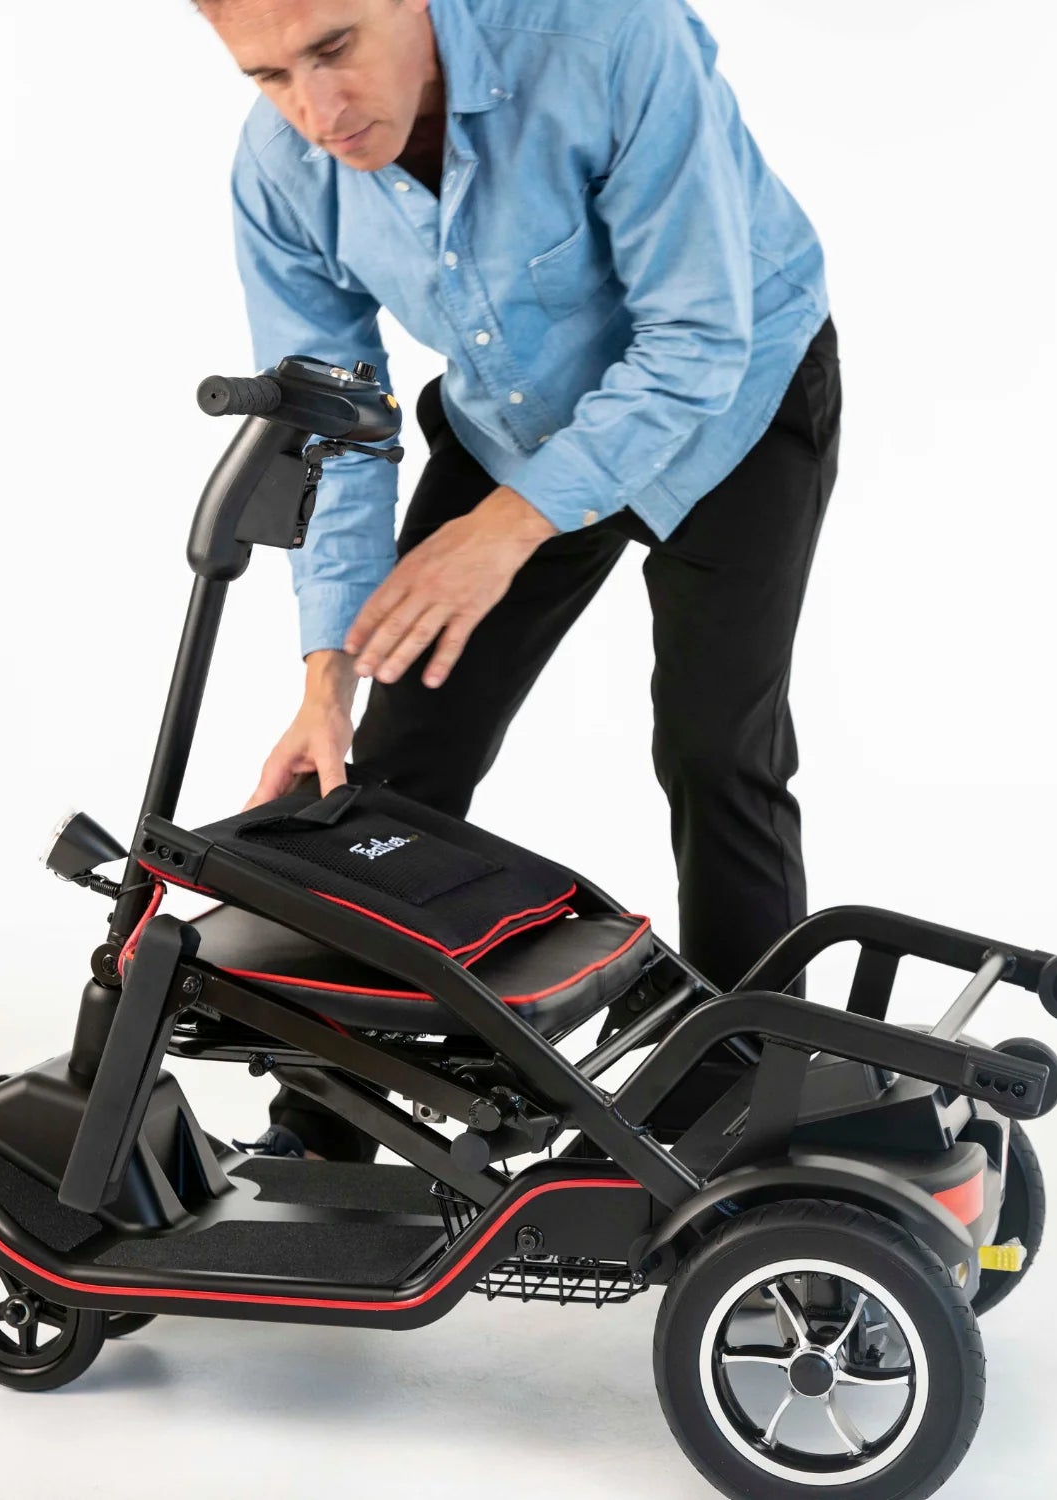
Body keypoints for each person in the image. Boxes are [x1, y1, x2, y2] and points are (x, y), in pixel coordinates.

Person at [195, 0, 841, 1160]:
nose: (318, 110)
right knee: (386, 775)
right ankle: (327, 1124)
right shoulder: (281, 169)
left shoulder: (609, 42)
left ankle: (749, 1099)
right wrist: (325, 675)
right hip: (515, 426)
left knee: (716, 751)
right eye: (270, 75)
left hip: (736, 400)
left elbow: (697, 340)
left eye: (335, 47)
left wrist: (507, 531)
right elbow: (337, 428)